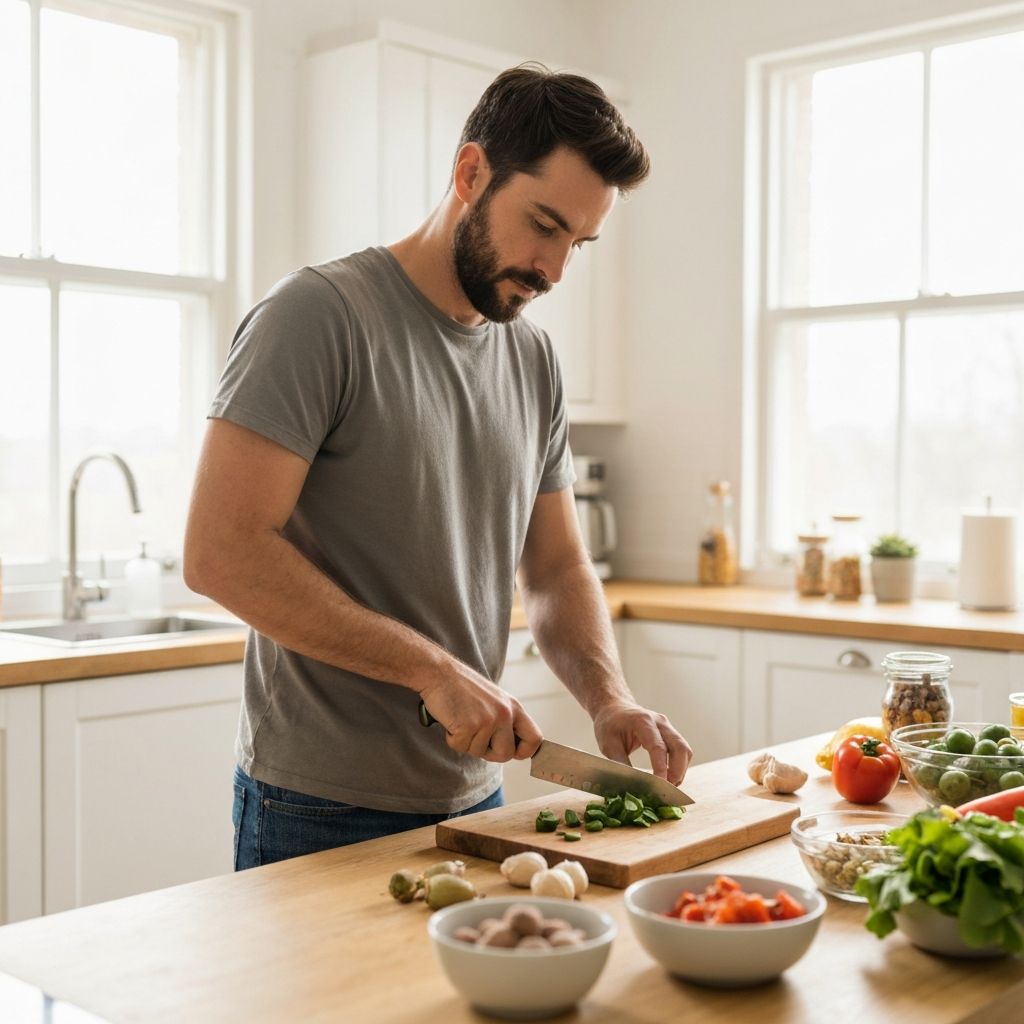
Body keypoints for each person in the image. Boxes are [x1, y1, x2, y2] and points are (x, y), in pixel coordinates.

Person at [183, 63, 693, 870]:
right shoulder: (319, 316)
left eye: (577, 244)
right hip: (313, 805)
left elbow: (557, 568)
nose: (554, 269)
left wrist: (609, 698)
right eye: (544, 225)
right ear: (470, 172)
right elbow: (221, 554)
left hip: (474, 796)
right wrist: (432, 670)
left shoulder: (533, 358)